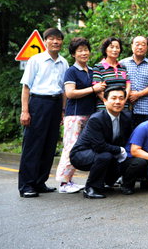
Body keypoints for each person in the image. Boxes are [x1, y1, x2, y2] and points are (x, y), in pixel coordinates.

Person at [18, 28, 69, 198]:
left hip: (55, 106)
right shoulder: (36, 60)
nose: (56, 42)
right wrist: (25, 111)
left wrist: (63, 111)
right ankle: (26, 185)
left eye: (59, 39)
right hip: (38, 103)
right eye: (52, 39)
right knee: (33, 145)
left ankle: (40, 182)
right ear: (45, 41)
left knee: (49, 145)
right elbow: (26, 87)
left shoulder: (64, 62)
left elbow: (63, 90)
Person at [55, 37, 104, 194]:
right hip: (74, 115)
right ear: (73, 54)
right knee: (71, 147)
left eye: (86, 50)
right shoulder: (71, 71)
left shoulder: (91, 71)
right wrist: (93, 89)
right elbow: (70, 93)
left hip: (90, 115)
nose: (84, 53)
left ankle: (70, 180)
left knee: (82, 148)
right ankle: (64, 182)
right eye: (80, 50)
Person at [70, 85, 133, 199]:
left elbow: (126, 140)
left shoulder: (126, 117)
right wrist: (120, 150)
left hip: (104, 151)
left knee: (124, 157)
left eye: (121, 98)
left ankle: (106, 182)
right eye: (113, 98)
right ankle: (90, 188)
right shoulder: (96, 119)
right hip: (81, 154)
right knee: (106, 156)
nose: (117, 102)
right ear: (105, 101)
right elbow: (99, 146)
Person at [120, 36, 148, 128]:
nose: (140, 47)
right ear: (132, 46)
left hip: (145, 108)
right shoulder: (122, 64)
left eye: (143, 44)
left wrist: (138, 94)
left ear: (147, 47)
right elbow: (118, 82)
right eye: (137, 44)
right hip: (124, 107)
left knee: (144, 134)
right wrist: (128, 94)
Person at [92, 37, 131, 111]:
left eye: (117, 47)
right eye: (112, 47)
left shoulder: (123, 67)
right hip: (105, 108)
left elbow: (128, 86)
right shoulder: (98, 67)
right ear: (105, 49)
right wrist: (111, 104)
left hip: (123, 108)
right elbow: (98, 90)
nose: (115, 50)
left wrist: (121, 102)